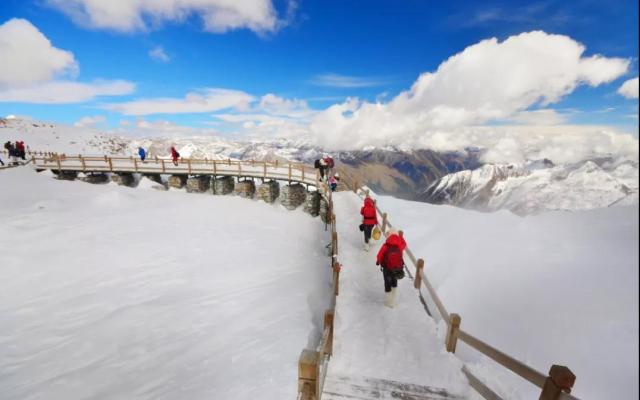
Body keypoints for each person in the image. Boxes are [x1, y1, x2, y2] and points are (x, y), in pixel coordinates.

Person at [376, 230, 407, 308]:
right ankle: (393, 299)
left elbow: (379, 255)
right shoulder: (399, 245)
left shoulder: (385, 245)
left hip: (387, 268)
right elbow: (404, 244)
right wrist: (401, 237)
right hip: (397, 268)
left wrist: (378, 261)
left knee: (387, 283)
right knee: (394, 282)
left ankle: (388, 302)